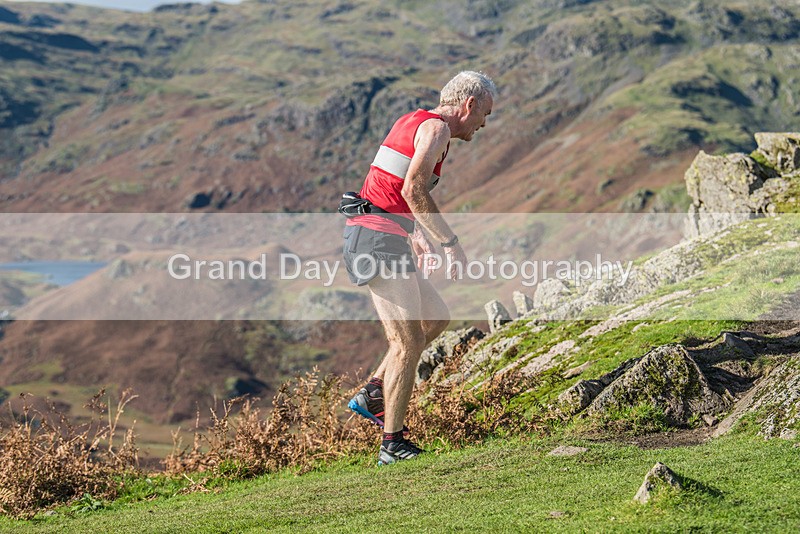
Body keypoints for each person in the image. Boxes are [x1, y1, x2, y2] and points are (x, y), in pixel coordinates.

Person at [342, 71, 496, 465]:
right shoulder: (438, 130)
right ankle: (392, 444)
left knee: (437, 318)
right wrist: (449, 242)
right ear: (470, 105)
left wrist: (416, 235)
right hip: (375, 240)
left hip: (383, 234)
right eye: (486, 115)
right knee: (407, 344)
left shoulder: (414, 119)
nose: (483, 125)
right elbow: (413, 189)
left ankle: (375, 390)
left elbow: (387, 187)